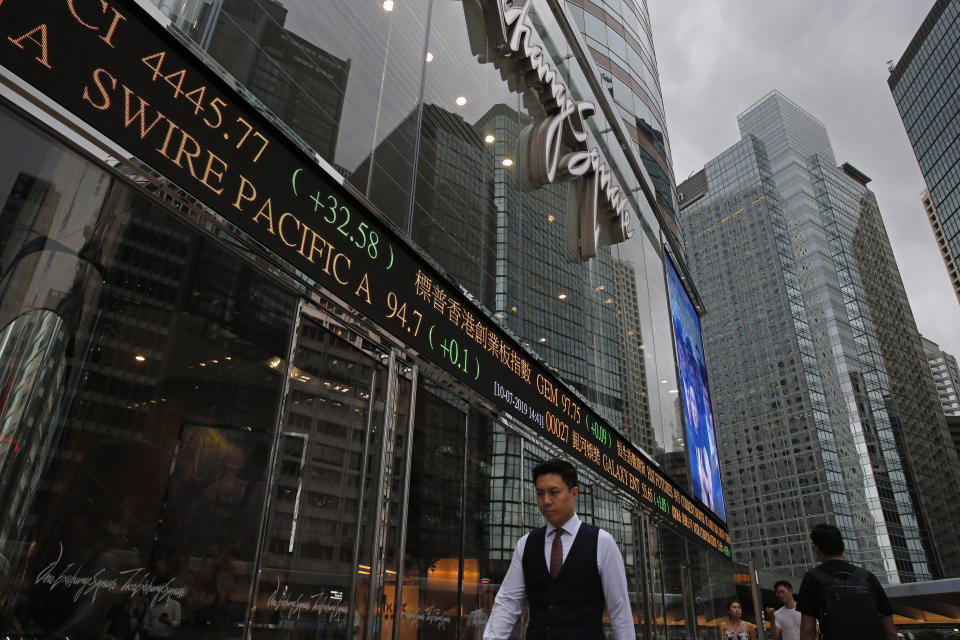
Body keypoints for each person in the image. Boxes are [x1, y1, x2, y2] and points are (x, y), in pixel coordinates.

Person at [483, 458, 635, 639]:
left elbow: (620, 610)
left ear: (574, 493)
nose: (546, 501)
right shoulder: (526, 544)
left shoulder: (602, 542)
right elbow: (507, 602)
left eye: (554, 492)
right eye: (540, 493)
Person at [797, 523, 897, 640]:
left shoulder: (812, 579)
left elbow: (808, 630)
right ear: (843, 546)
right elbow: (890, 630)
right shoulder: (866, 576)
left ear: (816, 548)